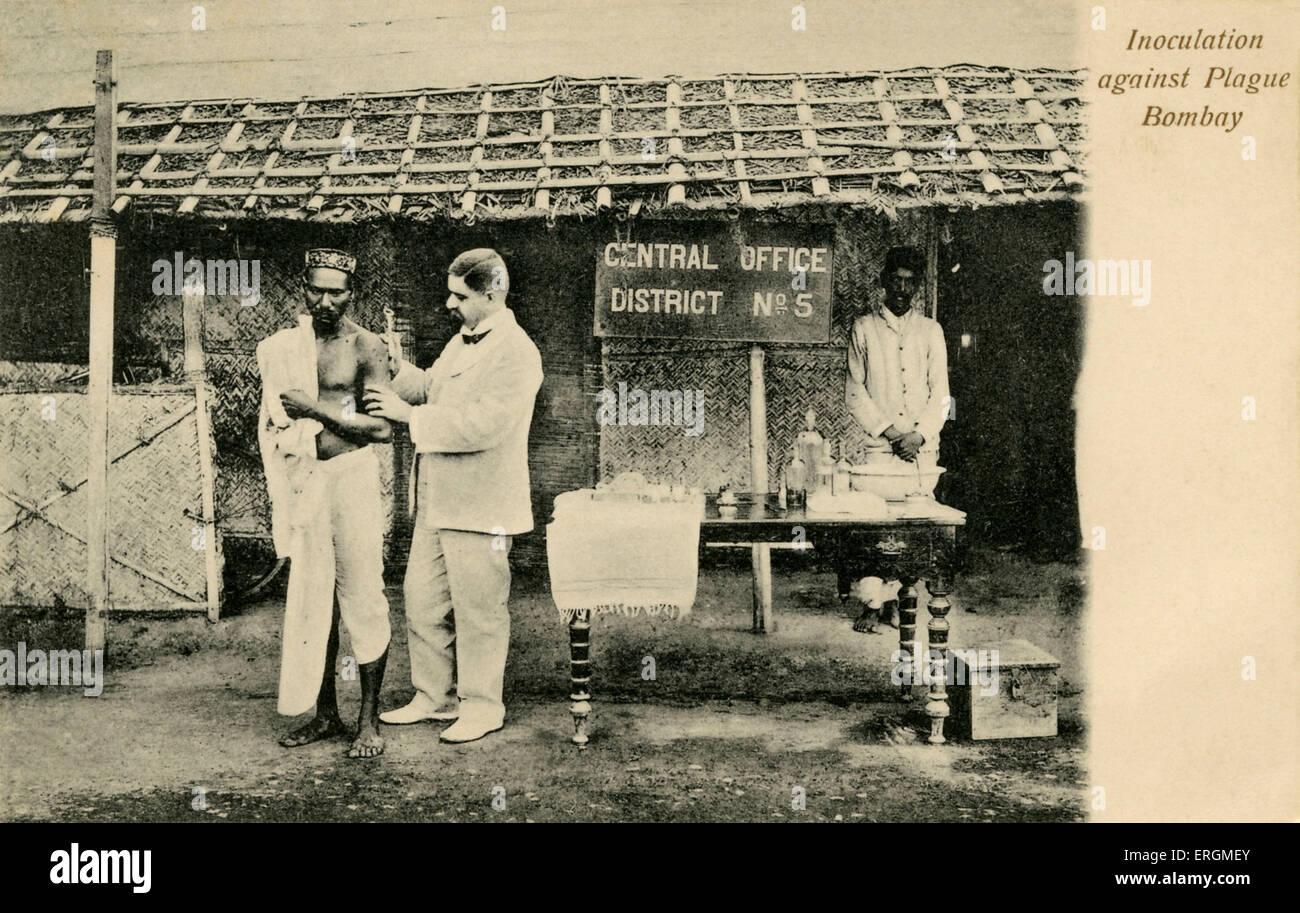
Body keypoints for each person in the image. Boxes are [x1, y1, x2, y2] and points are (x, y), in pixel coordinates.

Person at [365, 248, 543, 744]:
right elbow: (431, 388)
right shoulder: (461, 341)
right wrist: (398, 369)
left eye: (459, 296)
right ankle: (433, 696)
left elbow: (483, 425)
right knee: (421, 603)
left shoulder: (517, 352)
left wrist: (407, 417)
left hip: (483, 507)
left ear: (491, 294)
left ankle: (483, 706)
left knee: (479, 612)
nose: (449, 303)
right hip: (438, 502)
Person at [256, 248, 393, 758]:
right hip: (307, 481)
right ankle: (325, 714)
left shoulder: (367, 347)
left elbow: (379, 429)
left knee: (362, 595)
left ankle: (368, 722)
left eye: (337, 291)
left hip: (351, 479)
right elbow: (274, 420)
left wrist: (314, 407)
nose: (326, 300)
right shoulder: (286, 348)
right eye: (317, 289)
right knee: (314, 600)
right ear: (303, 289)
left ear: (352, 293)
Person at [844, 245, 950, 633]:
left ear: (918, 286)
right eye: (896, 280)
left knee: (912, 527)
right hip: (880, 447)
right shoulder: (863, 328)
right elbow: (854, 391)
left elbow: (941, 393)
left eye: (910, 282)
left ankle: (900, 602)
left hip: (921, 450)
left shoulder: (931, 331)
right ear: (884, 282)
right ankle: (874, 604)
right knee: (875, 525)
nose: (903, 289)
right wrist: (891, 433)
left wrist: (919, 435)